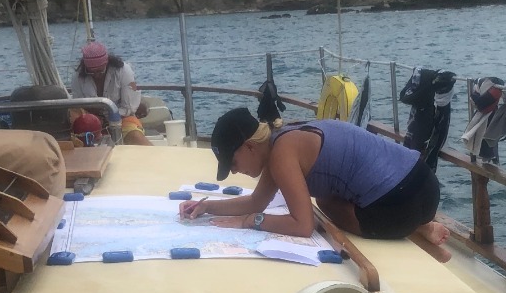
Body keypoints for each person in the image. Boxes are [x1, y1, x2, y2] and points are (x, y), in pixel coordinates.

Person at [178, 108, 451, 262]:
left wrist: (249, 221)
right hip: (425, 184)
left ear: (249, 146)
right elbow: (256, 201)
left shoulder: (282, 156)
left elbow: (302, 225)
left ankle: (413, 225)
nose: (235, 171)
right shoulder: (284, 138)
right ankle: (423, 225)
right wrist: (207, 207)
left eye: (233, 162)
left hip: (400, 206)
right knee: (338, 189)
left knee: (325, 201)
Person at [70, 41, 150, 145]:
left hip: (124, 119)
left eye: (100, 71)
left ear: (107, 63)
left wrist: (109, 120)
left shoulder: (124, 71)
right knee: (79, 138)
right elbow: (78, 105)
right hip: (92, 122)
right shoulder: (77, 77)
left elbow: (129, 107)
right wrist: (94, 119)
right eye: (91, 72)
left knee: (135, 136)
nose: (96, 75)